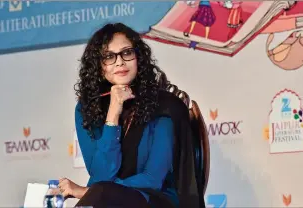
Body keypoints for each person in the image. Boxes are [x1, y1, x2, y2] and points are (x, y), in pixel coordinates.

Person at [58, 23, 204, 208]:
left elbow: (152, 179)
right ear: (98, 65)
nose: (120, 62)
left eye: (126, 53)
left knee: (101, 194)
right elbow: (101, 175)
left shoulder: (164, 106)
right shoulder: (87, 109)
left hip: (156, 200)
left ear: (138, 58)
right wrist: (113, 113)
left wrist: (89, 192)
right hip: (107, 199)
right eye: (109, 57)